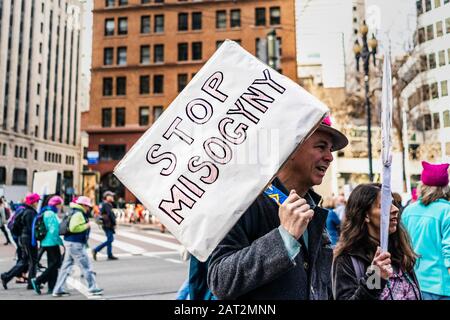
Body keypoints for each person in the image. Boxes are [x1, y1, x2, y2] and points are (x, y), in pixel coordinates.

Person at [207, 115, 348, 300]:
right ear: (289, 149)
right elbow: (220, 280)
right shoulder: (246, 201)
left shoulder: (314, 210)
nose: (329, 157)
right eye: (321, 147)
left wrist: (375, 279)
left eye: (330, 149)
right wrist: (283, 238)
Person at [332, 183, 421, 300]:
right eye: (384, 205)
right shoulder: (348, 259)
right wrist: (375, 277)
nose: (395, 209)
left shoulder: (398, 252)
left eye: (393, 204)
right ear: (366, 215)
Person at [402, 161, 450, 300]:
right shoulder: (447, 211)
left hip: (415, 285)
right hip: (443, 287)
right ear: (445, 187)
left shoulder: (408, 211)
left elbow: (402, 246)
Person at [52, 196, 103, 297]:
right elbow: (73, 228)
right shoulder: (78, 213)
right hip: (76, 243)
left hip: (70, 242)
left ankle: (58, 289)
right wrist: (86, 225)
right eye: (88, 206)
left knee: (65, 267)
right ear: (83, 205)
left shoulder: (72, 211)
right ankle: (92, 287)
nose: (88, 208)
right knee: (86, 266)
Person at [1, 193, 40, 290]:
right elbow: (32, 228)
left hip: (23, 238)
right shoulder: (30, 212)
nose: (38, 202)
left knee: (25, 261)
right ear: (33, 202)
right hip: (28, 239)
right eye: (37, 201)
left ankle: (6, 277)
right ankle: (31, 283)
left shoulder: (24, 210)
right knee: (32, 261)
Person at [30, 195, 64, 295]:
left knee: (52, 264)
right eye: (60, 205)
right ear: (56, 204)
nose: (60, 207)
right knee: (56, 263)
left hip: (45, 242)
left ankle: (51, 287)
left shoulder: (45, 212)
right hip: (51, 242)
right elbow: (54, 231)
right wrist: (60, 243)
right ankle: (38, 281)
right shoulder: (51, 214)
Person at [92, 191, 118, 261]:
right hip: (108, 224)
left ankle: (109, 254)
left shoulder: (104, 204)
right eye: (111, 196)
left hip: (106, 224)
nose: (112, 197)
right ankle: (96, 250)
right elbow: (110, 215)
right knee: (110, 239)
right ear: (107, 197)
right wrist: (114, 223)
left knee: (109, 239)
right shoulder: (107, 204)